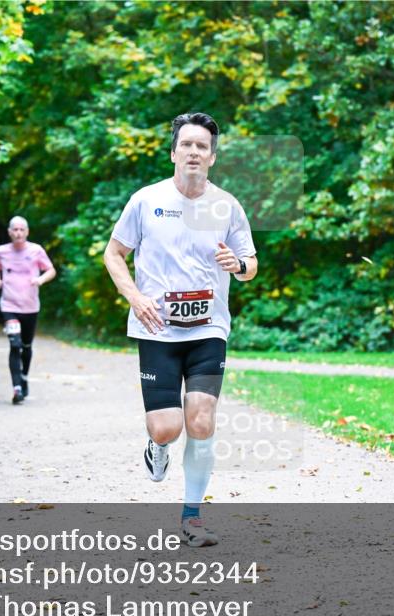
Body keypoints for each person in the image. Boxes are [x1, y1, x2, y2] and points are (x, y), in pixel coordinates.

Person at [103, 112, 258, 547]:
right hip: (157, 330)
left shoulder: (227, 206)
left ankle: (192, 517)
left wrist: (238, 264)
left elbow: (250, 264)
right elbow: (113, 254)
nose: (193, 152)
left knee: (202, 420)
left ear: (212, 157)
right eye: (186, 144)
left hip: (209, 328)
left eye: (201, 146)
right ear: (173, 153)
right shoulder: (145, 200)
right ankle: (157, 447)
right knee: (167, 428)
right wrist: (135, 298)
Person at [0, 216, 57, 404]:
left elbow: (51, 270)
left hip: (30, 307)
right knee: (15, 344)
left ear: (27, 232)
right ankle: (17, 388)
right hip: (9, 305)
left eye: (22, 229)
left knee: (26, 346)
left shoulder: (36, 250)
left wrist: (40, 279)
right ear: (9, 232)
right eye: (15, 229)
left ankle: (24, 377)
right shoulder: (2, 251)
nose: (18, 233)